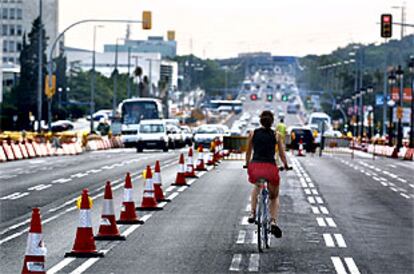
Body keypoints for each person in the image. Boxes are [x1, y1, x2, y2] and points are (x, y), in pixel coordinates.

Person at [245, 110, 289, 238]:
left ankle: (252, 213)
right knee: (274, 197)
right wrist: (285, 165)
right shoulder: (276, 135)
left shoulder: (253, 133)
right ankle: (273, 222)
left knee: (257, 187)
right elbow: (281, 154)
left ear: (260, 120)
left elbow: (248, 152)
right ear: (272, 121)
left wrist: (247, 164)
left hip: (255, 167)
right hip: (270, 168)